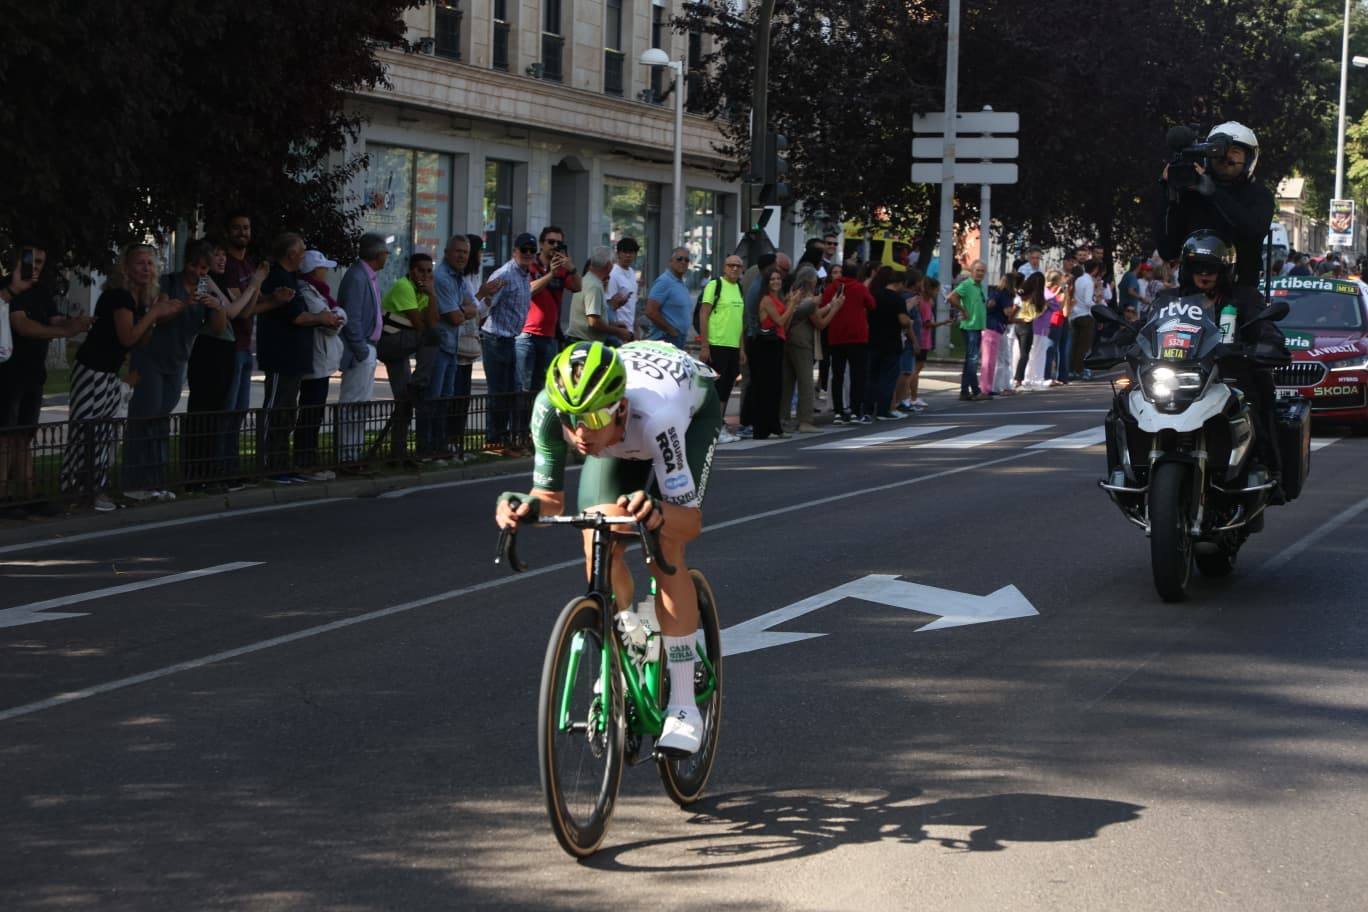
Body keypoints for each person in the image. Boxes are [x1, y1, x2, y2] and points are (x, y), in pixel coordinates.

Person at [495, 341, 723, 755]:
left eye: (595, 417)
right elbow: (549, 498)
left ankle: (685, 705)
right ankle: (622, 646)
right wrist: (523, 507)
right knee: (598, 527)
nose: (582, 432)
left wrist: (657, 513)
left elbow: (690, 523)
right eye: (573, 418)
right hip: (621, 441)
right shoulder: (551, 409)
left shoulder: (659, 417)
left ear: (619, 408)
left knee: (667, 547)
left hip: (688, 411)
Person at [1150, 230, 1285, 481]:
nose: (1204, 274)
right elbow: (1145, 329)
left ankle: (1266, 467)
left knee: (1256, 401)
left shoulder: (1244, 298)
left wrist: (1269, 343)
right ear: (1187, 268)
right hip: (1177, 376)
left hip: (1228, 375)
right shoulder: (1168, 299)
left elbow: (1264, 328)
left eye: (1211, 268)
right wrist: (1118, 341)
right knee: (1125, 403)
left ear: (1224, 270)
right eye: (1198, 267)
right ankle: (1129, 469)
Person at [60, 245, 173, 511]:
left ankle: (90, 490)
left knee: (104, 433)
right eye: (139, 263)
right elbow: (128, 337)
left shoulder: (135, 301)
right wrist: (154, 314)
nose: (146, 268)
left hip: (108, 371)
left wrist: (151, 314)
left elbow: (140, 340)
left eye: (150, 263)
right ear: (126, 268)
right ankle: (83, 492)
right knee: (91, 432)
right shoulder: (118, 297)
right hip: (93, 370)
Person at [122, 239, 224, 500]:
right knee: (146, 417)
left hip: (177, 360)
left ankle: (155, 481)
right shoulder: (168, 283)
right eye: (194, 265)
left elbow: (218, 328)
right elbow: (162, 316)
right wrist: (186, 303)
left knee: (161, 420)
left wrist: (216, 306)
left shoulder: (207, 289)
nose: (198, 272)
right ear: (186, 263)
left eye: (204, 268)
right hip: (151, 357)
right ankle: (134, 482)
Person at [1, 244, 90, 511]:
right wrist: (63, 333)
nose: (36, 267)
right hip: (7, 373)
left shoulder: (41, 290)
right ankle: (3, 495)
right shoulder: (8, 289)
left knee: (25, 435)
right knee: (5, 435)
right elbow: (22, 325)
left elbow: (54, 319)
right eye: (32, 261)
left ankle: (27, 493)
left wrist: (74, 323)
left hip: (33, 372)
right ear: (18, 260)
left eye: (41, 262)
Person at [1155, 122, 1275, 288]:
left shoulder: (1260, 195)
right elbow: (1167, 250)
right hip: (1191, 298)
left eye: (1235, 152)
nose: (1226, 158)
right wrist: (1167, 193)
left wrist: (1214, 192)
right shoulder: (1192, 193)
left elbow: (1253, 229)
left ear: (1249, 158)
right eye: (1219, 152)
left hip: (1241, 294)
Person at [184, 241, 253, 488]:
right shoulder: (205, 283)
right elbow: (228, 313)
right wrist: (255, 284)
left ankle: (213, 468)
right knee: (205, 411)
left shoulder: (220, 282)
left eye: (224, 254)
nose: (222, 259)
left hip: (226, 348)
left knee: (219, 410)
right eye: (216, 254)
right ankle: (198, 471)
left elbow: (239, 311)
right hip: (209, 349)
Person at [255, 233, 319, 476]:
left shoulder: (292, 277)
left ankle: (281, 461)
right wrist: (322, 318)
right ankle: (270, 462)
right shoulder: (278, 277)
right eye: (302, 251)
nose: (304, 255)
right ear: (291, 254)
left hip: (295, 356)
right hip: (281, 355)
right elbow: (297, 316)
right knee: (277, 410)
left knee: (288, 411)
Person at [483, 232, 537, 451]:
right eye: (523, 250)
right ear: (514, 251)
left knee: (511, 392)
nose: (528, 254)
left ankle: (505, 438)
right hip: (495, 338)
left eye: (532, 251)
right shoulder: (504, 274)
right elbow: (485, 304)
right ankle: (493, 439)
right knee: (498, 392)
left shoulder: (525, 274)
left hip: (511, 339)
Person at [294, 250, 346, 476]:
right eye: (323, 267)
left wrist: (336, 316)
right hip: (315, 359)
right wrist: (335, 317)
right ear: (315, 271)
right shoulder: (307, 292)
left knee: (315, 412)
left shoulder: (318, 291)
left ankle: (308, 457)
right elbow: (328, 321)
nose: (326, 271)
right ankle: (305, 459)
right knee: (311, 412)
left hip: (322, 360)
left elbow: (337, 316)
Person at [519, 226, 580, 394]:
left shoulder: (562, 268)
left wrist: (572, 268)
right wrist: (551, 274)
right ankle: (520, 421)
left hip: (549, 337)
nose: (555, 246)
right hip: (527, 335)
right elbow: (529, 290)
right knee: (523, 388)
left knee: (545, 388)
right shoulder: (530, 264)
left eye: (559, 243)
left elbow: (577, 287)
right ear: (541, 244)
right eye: (551, 242)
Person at [697, 255, 746, 440]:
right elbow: (704, 313)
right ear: (724, 267)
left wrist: (741, 348)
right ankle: (712, 429)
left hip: (733, 346)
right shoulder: (715, 285)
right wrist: (704, 344)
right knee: (716, 389)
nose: (734, 268)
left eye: (738, 266)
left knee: (726, 389)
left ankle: (718, 426)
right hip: (717, 344)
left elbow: (739, 320)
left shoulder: (739, 288)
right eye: (731, 265)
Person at [821, 256, 875, 423]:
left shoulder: (832, 288)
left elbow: (823, 304)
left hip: (836, 336)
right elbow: (872, 305)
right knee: (857, 375)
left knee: (837, 375)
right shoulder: (860, 288)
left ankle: (838, 411)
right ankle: (854, 410)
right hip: (857, 336)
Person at [378, 253, 436, 402]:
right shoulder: (404, 286)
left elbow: (432, 322)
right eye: (421, 270)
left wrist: (432, 295)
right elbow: (422, 328)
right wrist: (426, 322)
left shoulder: (424, 291)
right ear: (411, 271)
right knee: (433, 337)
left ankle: (400, 421)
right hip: (387, 341)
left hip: (399, 342)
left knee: (404, 401)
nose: (425, 275)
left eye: (429, 271)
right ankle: (418, 384)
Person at [750, 265, 798, 438]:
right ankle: (762, 428)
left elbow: (785, 323)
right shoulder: (767, 300)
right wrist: (792, 304)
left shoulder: (778, 299)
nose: (776, 282)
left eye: (778, 279)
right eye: (772, 279)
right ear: (767, 282)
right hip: (766, 345)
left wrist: (791, 305)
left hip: (777, 342)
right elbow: (779, 321)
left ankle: (774, 426)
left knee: (776, 387)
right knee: (767, 387)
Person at [780, 264, 827, 433]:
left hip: (788, 341)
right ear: (810, 280)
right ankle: (805, 421)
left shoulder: (791, 294)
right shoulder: (809, 299)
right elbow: (820, 322)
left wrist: (827, 306)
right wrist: (834, 307)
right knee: (805, 382)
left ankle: (783, 418)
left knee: (787, 382)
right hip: (802, 342)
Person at [865, 267, 915, 418]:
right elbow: (903, 320)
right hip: (891, 342)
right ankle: (883, 410)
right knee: (887, 378)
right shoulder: (897, 299)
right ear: (899, 283)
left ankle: (867, 409)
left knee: (872, 377)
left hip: (872, 340)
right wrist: (909, 323)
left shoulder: (874, 295)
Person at [566, 247, 632, 347]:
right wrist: (618, 331)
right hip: (584, 343)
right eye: (613, 263)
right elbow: (593, 322)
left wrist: (612, 325)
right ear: (609, 265)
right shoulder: (594, 286)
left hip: (579, 342)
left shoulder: (586, 279)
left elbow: (589, 318)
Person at [947, 260, 988, 401]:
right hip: (970, 326)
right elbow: (951, 297)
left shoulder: (979, 286)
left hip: (977, 326)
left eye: (983, 271)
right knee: (972, 359)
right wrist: (962, 310)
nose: (980, 273)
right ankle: (976, 391)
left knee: (970, 360)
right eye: (978, 270)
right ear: (972, 271)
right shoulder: (967, 284)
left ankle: (964, 391)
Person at [644, 247, 695, 349]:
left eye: (686, 260)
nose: (683, 262)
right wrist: (671, 330)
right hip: (666, 339)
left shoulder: (680, 283)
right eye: (679, 259)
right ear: (671, 262)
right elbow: (650, 311)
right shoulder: (664, 281)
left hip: (678, 338)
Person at [982, 272, 1017, 396]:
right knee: (1002, 358)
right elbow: (1008, 312)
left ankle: (992, 386)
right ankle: (999, 386)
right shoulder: (1006, 294)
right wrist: (1017, 313)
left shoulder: (995, 292)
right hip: (998, 327)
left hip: (989, 325)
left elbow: (989, 305)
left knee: (993, 358)